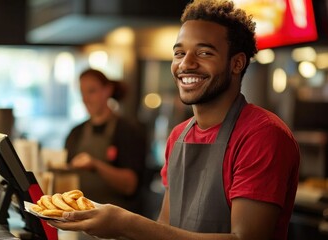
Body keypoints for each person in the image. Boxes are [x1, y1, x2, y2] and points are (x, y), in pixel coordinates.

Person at [49, 1, 300, 240]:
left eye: (204, 52)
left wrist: (127, 224)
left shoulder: (262, 134)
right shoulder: (178, 136)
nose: (186, 63)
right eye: (179, 52)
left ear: (237, 63)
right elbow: (165, 230)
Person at [64, 68, 147, 214]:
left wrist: (95, 165)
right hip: (81, 216)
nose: (85, 99)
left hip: (118, 221)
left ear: (107, 90)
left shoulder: (128, 131)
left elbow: (130, 185)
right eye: (82, 93)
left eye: (91, 91)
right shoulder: (75, 132)